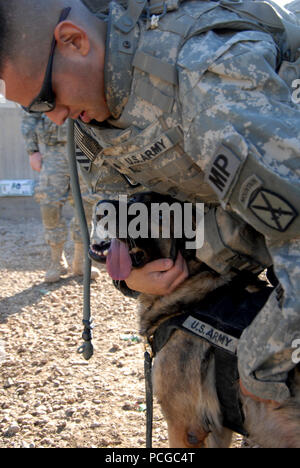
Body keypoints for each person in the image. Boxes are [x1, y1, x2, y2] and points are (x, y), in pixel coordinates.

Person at [0, 0, 299, 408]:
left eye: (45, 98)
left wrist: (262, 364)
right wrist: (129, 276)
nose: (53, 119)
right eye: (35, 109)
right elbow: (114, 211)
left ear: (73, 41)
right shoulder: (90, 110)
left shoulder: (210, 77)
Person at [21, 111, 100, 282]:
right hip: (54, 151)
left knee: (87, 204)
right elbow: (30, 113)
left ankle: (81, 261)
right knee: (49, 203)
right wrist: (32, 150)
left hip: (85, 149)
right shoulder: (42, 83)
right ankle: (56, 261)